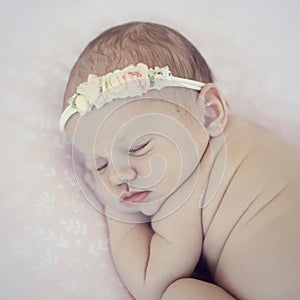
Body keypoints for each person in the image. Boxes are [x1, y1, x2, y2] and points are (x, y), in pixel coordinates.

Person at [60, 22, 300, 300]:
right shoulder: (251, 137)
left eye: (139, 147)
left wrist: (119, 214)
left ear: (209, 112)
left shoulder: (188, 187)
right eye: (99, 164)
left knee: (177, 293)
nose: (117, 176)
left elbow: (150, 285)